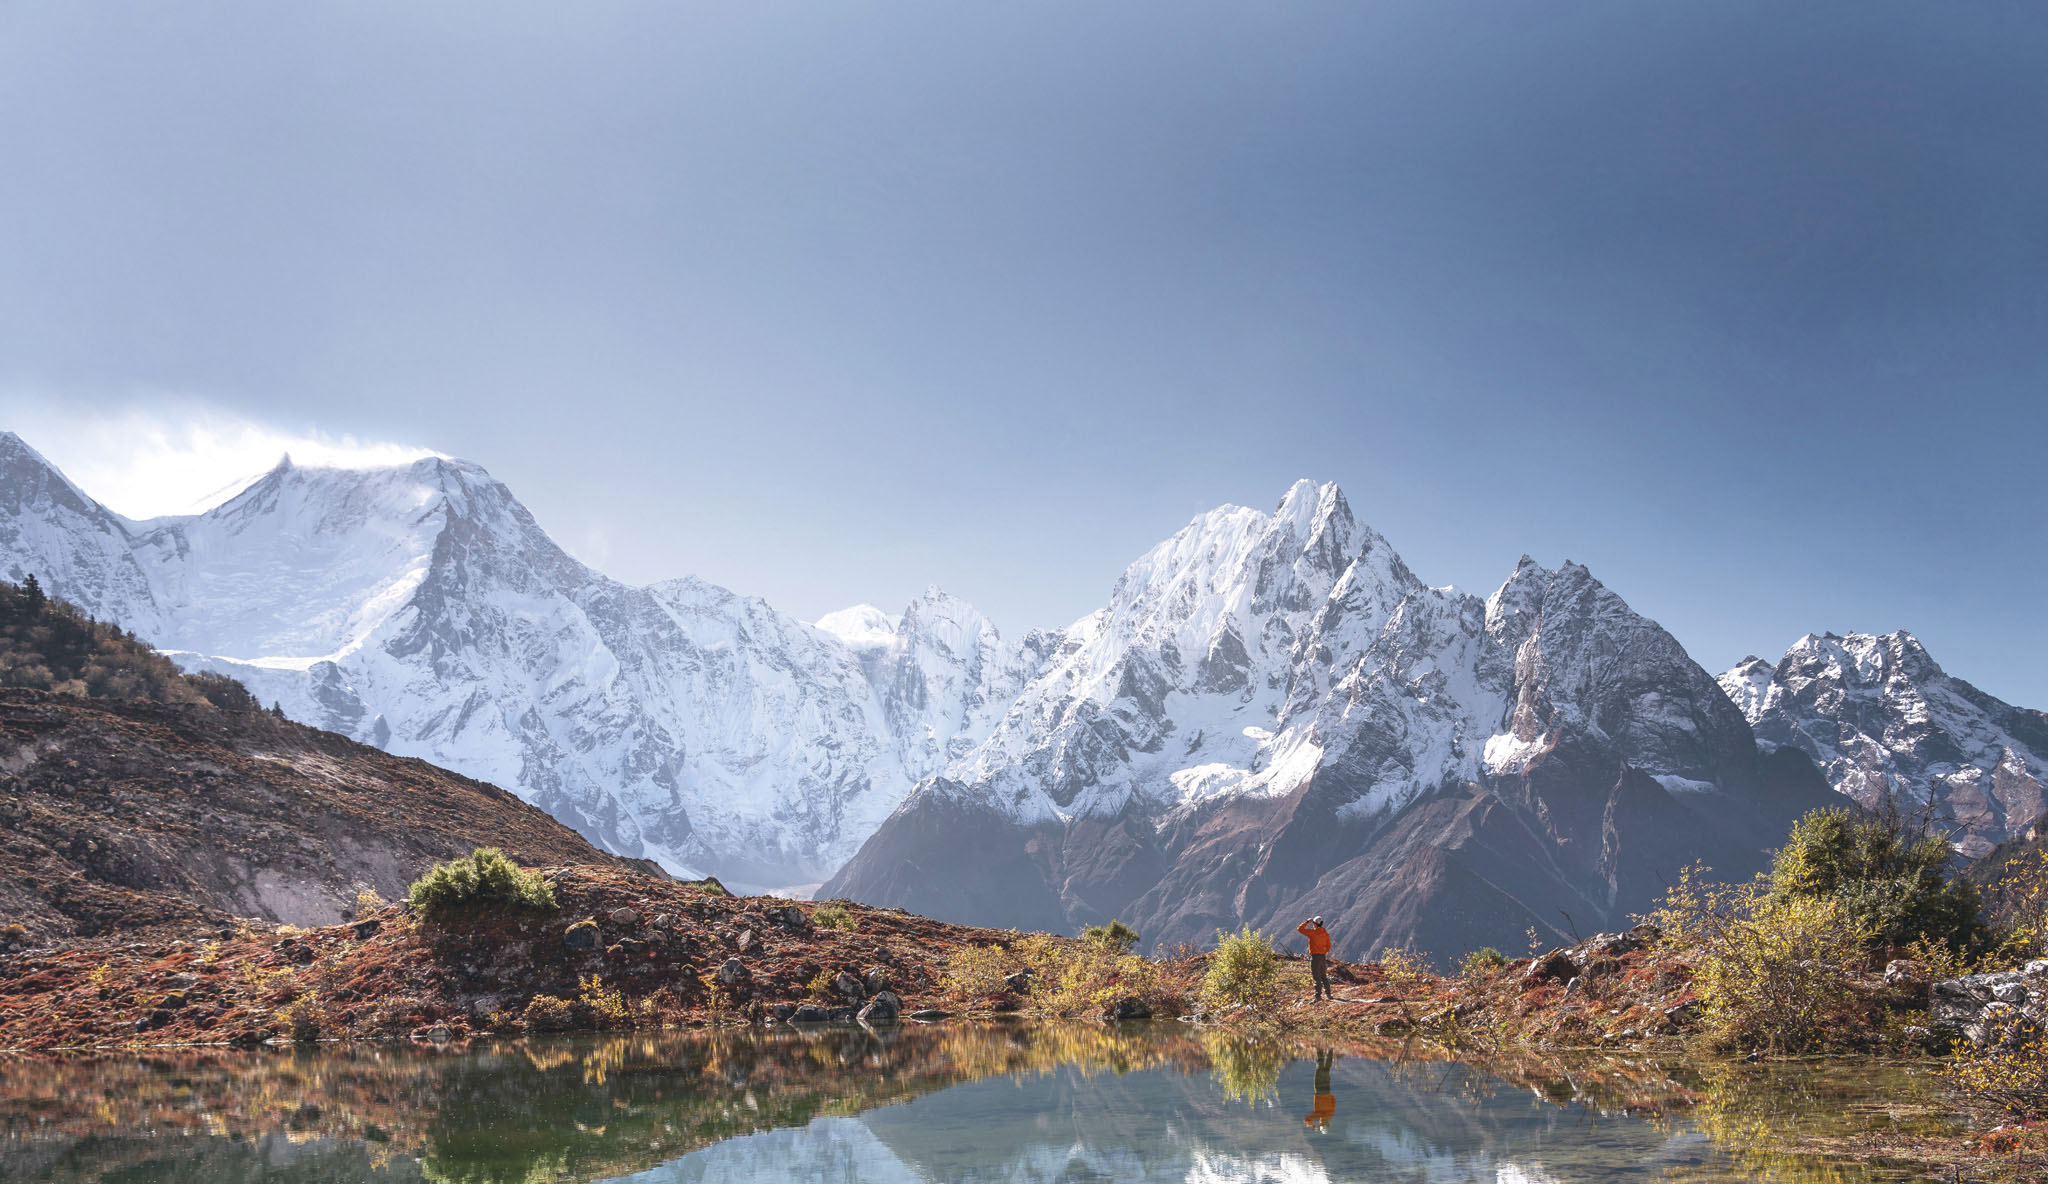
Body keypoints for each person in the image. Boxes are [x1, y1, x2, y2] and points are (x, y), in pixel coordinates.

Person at [1297, 916, 1332, 1001]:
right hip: (1323, 956)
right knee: (1323, 975)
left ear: (1315, 924)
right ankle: (1328, 994)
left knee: (1317, 977)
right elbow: (1329, 946)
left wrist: (1307, 921)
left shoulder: (1312, 933)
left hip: (1315, 957)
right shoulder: (1325, 933)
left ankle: (1318, 996)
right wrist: (1323, 951)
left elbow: (1300, 929)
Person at [1303, 1047, 1336, 1133]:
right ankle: (1319, 1049)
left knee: (1326, 1070)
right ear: (1321, 1123)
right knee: (1320, 1069)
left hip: (1327, 1090)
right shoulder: (1318, 1115)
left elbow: (1334, 1101)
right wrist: (1313, 1127)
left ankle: (1331, 1050)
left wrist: (1328, 1095)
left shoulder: (1330, 1114)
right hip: (1319, 1091)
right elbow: (1306, 1119)